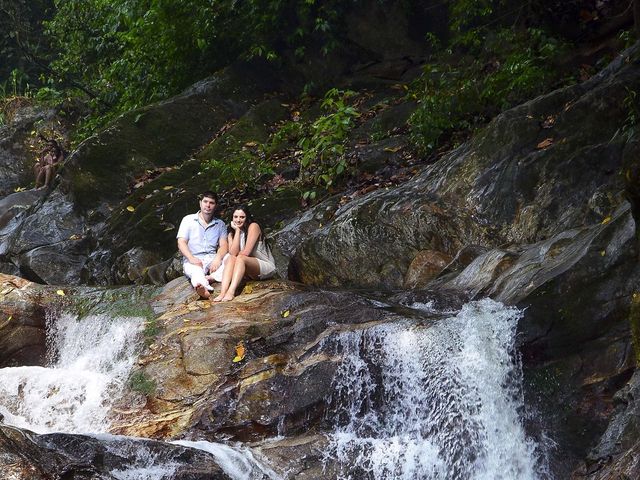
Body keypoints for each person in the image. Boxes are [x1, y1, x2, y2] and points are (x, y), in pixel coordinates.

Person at [214, 205, 276, 302]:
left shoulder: (253, 226)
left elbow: (246, 252)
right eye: (235, 217)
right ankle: (223, 292)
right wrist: (237, 231)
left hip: (263, 266)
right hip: (246, 268)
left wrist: (237, 230)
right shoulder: (231, 233)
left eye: (242, 217)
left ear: (247, 217)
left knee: (241, 257)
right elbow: (233, 253)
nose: (238, 220)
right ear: (232, 218)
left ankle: (231, 291)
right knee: (231, 258)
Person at [176, 191, 230, 299]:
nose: (208, 205)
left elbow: (224, 246)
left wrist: (218, 258)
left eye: (211, 203)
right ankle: (203, 289)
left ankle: (211, 278)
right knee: (195, 271)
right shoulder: (188, 220)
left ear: (216, 206)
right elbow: (181, 242)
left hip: (212, 258)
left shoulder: (220, 224)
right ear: (200, 203)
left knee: (230, 258)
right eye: (205, 201)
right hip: (194, 258)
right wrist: (191, 258)